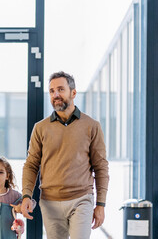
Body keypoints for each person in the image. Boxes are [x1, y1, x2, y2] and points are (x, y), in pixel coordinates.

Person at [20, 71, 109, 239]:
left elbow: (101, 167)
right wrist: (26, 195)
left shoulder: (92, 126)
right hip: (50, 202)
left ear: (73, 93)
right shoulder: (40, 128)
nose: (56, 95)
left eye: (60, 89)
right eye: (52, 91)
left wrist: (101, 204)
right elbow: (31, 165)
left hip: (81, 199)